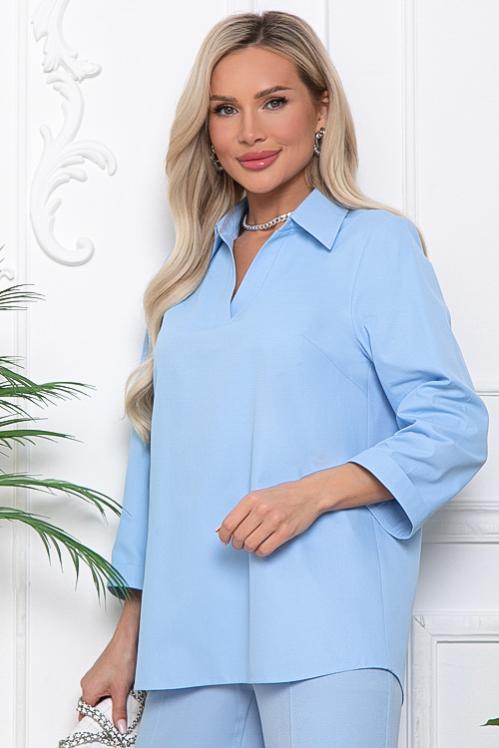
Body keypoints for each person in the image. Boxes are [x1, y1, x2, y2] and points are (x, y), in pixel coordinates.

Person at [79, 10, 489, 747]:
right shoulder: (183, 282)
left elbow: (453, 426)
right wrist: (128, 634)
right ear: (206, 131)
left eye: (273, 101)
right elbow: (155, 467)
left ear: (320, 110)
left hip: (329, 621)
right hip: (189, 635)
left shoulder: (375, 247)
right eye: (225, 110)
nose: (250, 132)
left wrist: (311, 493)